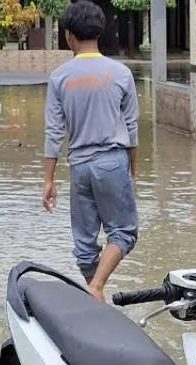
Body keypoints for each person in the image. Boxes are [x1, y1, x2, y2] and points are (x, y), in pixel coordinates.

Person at [42, 0, 139, 301]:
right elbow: (132, 128)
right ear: (100, 32)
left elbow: (54, 132)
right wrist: (133, 172)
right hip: (112, 161)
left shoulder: (59, 77)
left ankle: (95, 293)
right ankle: (97, 287)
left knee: (84, 245)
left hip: (79, 165)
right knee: (123, 232)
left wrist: (48, 180)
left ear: (69, 35)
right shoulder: (121, 73)